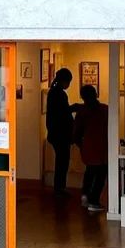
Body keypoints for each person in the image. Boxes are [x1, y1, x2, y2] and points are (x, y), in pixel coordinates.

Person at [73, 84, 109, 212]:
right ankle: (94, 201)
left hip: (88, 147)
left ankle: (85, 195)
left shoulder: (82, 112)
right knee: (100, 175)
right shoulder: (105, 109)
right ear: (95, 94)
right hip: (103, 148)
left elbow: (76, 133)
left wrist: (81, 145)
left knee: (89, 172)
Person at [46, 68, 78, 197]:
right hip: (61, 134)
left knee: (61, 161)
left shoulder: (53, 92)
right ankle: (59, 188)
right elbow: (63, 113)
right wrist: (73, 108)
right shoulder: (59, 93)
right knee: (62, 162)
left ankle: (59, 187)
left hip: (56, 133)